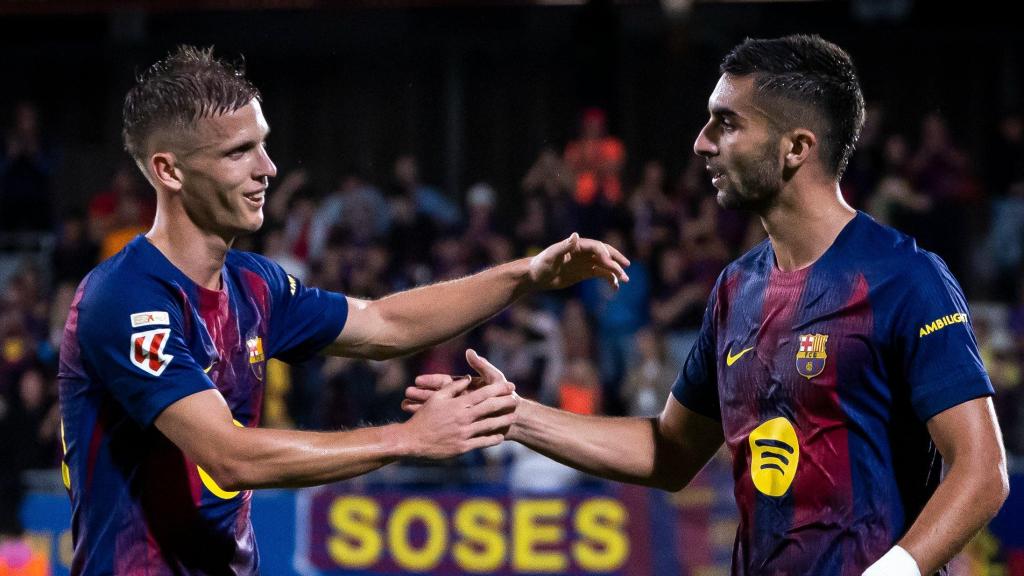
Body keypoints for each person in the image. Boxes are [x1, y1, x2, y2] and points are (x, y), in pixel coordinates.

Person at [406, 35, 1007, 576]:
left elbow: (981, 473)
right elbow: (670, 453)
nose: (701, 144)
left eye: (726, 123)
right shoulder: (735, 289)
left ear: (796, 147)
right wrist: (514, 416)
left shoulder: (904, 278)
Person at [56, 46, 629, 576]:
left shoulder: (254, 284)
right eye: (239, 152)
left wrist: (525, 275)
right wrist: (407, 439)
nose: (268, 167)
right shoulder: (126, 299)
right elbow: (228, 456)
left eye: (262, 142)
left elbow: (386, 323)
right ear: (169, 171)